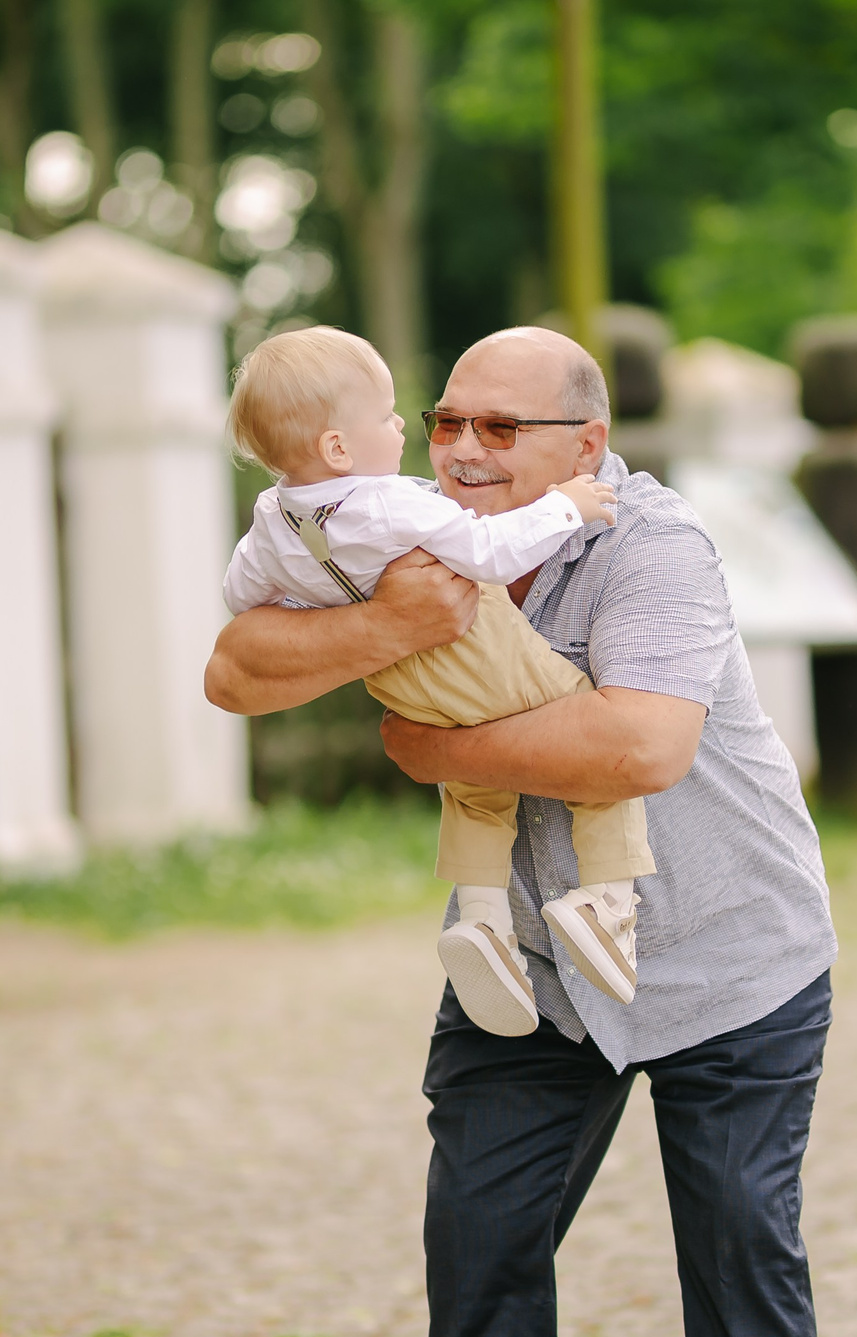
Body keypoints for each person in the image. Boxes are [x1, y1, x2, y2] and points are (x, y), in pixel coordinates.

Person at [204, 326, 840, 1337]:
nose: (464, 448)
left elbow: (638, 742)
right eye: (446, 422)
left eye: (502, 428)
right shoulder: (389, 530)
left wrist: (427, 734)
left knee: (737, 1236)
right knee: (480, 1236)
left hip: (730, 947)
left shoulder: (653, 546)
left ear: (585, 447)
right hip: (537, 969)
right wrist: (387, 628)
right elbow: (236, 669)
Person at [221, 326, 650, 1034]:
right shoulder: (393, 502)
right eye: (398, 417)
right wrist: (568, 506)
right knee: (594, 738)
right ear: (338, 448)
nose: (404, 429)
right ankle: (604, 901)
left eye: (498, 427)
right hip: (472, 649)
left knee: (477, 788)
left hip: (397, 682)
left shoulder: (274, 515)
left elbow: (243, 595)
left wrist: (335, 596)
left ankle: (483, 919)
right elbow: (486, 550)